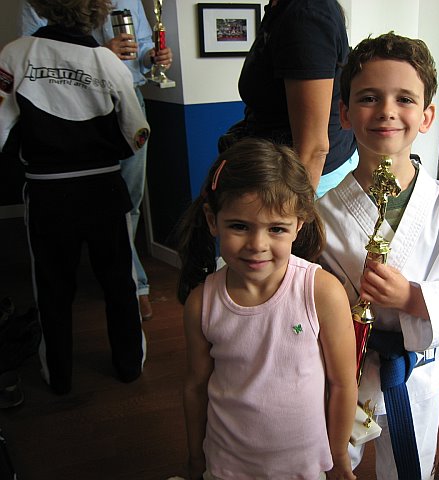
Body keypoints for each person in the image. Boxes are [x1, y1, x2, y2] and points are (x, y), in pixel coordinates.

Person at [317, 32, 439, 479]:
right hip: (343, 368)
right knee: (329, 462)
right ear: (344, 113)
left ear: (426, 116)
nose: (386, 110)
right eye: (369, 97)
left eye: (404, 99)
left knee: (411, 469)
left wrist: (414, 298)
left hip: (414, 371)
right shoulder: (322, 215)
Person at [177, 138, 358, 480]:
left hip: (304, 466)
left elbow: (342, 383)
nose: (257, 245)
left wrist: (338, 457)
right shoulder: (202, 304)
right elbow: (196, 387)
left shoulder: (321, 293)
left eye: (276, 229)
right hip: (228, 465)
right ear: (213, 220)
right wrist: (195, 459)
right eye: (239, 226)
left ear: (298, 224)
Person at [0, 0, 150, 394]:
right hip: (104, 189)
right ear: (97, 10)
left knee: (52, 287)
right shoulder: (108, 61)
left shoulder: (15, 54)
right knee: (119, 283)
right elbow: (138, 132)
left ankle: (59, 376)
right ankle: (129, 366)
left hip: (47, 190)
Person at [21, 0, 174, 320]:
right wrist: (96, 55)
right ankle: (128, 285)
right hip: (72, 103)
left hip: (128, 98)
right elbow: (32, 52)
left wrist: (152, 57)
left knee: (129, 201)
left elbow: (141, 47)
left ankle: (128, 282)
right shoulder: (41, 2)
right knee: (85, 198)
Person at [220, 0, 357, 198]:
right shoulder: (282, 8)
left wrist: (294, 212)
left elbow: (313, 148)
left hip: (305, 182)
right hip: (278, 173)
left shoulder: (306, 14)